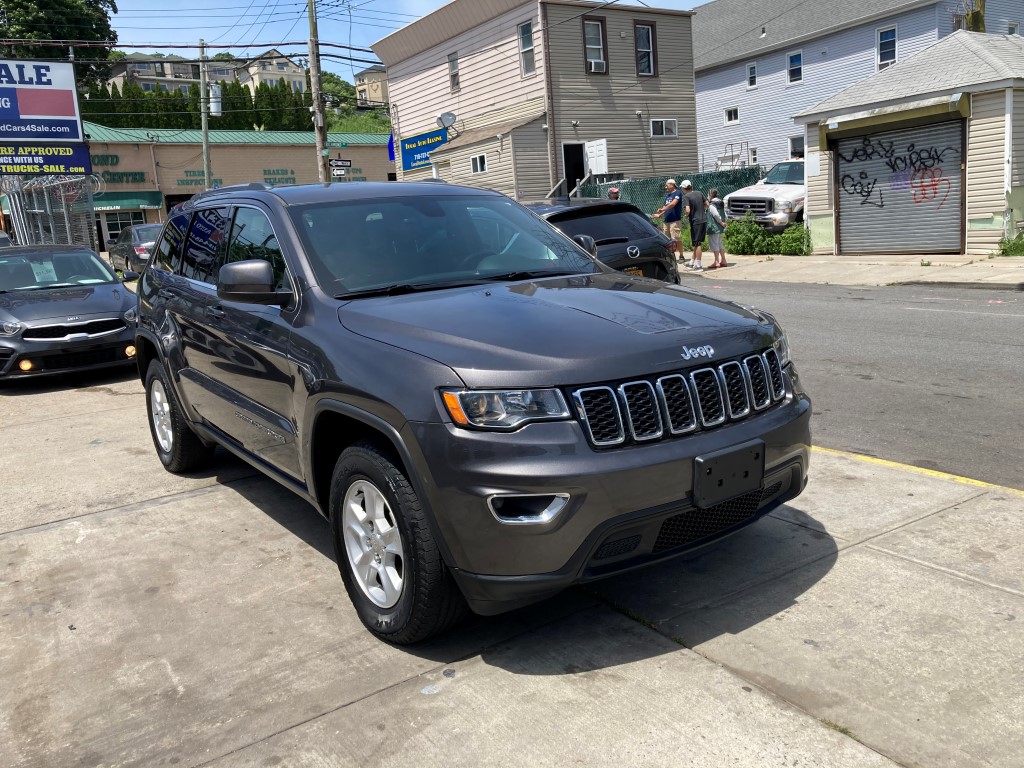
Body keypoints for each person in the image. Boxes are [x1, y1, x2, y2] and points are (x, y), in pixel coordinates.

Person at [653, 179, 682, 259]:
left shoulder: (678, 193)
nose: (665, 187)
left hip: (675, 220)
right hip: (666, 221)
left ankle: (681, 256)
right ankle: (671, 256)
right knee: (667, 240)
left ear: (672, 185)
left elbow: (673, 204)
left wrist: (663, 209)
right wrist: (659, 214)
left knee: (676, 238)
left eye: (667, 185)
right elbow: (666, 208)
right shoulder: (667, 196)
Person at [681, 180, 707, 270]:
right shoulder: (699, 193)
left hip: (696, 221)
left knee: (698, 243)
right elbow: (707, 204)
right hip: (704, 220)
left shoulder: (686, 196)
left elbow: (687, 210)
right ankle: (692, 263)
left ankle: (699, 266)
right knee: (696, 243)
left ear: (684, 188)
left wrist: (686, 214)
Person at [705, 187, 729, 269]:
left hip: (714, 227)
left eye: (708, 194)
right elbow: (724, 214)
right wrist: (723, 223)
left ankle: (716, 262)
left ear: (711, 195)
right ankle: (724, 260)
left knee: (714, 244)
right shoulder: (720, 202)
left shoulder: (712, 204)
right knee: (720, 243)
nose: (707, 196)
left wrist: (720, 222)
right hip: (720, 227)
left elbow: (715, 215)